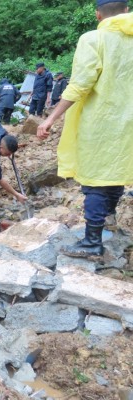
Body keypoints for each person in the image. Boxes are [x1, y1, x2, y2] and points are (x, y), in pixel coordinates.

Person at [37, 0, 133, 258]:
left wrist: (50, 119)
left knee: (95, 181)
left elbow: (80, 84)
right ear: (126, 11)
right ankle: (109, 218)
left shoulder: (94, 39)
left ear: (97, 15)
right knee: (116, 170)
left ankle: (92, 241)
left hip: (102, 122)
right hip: (130, 125)